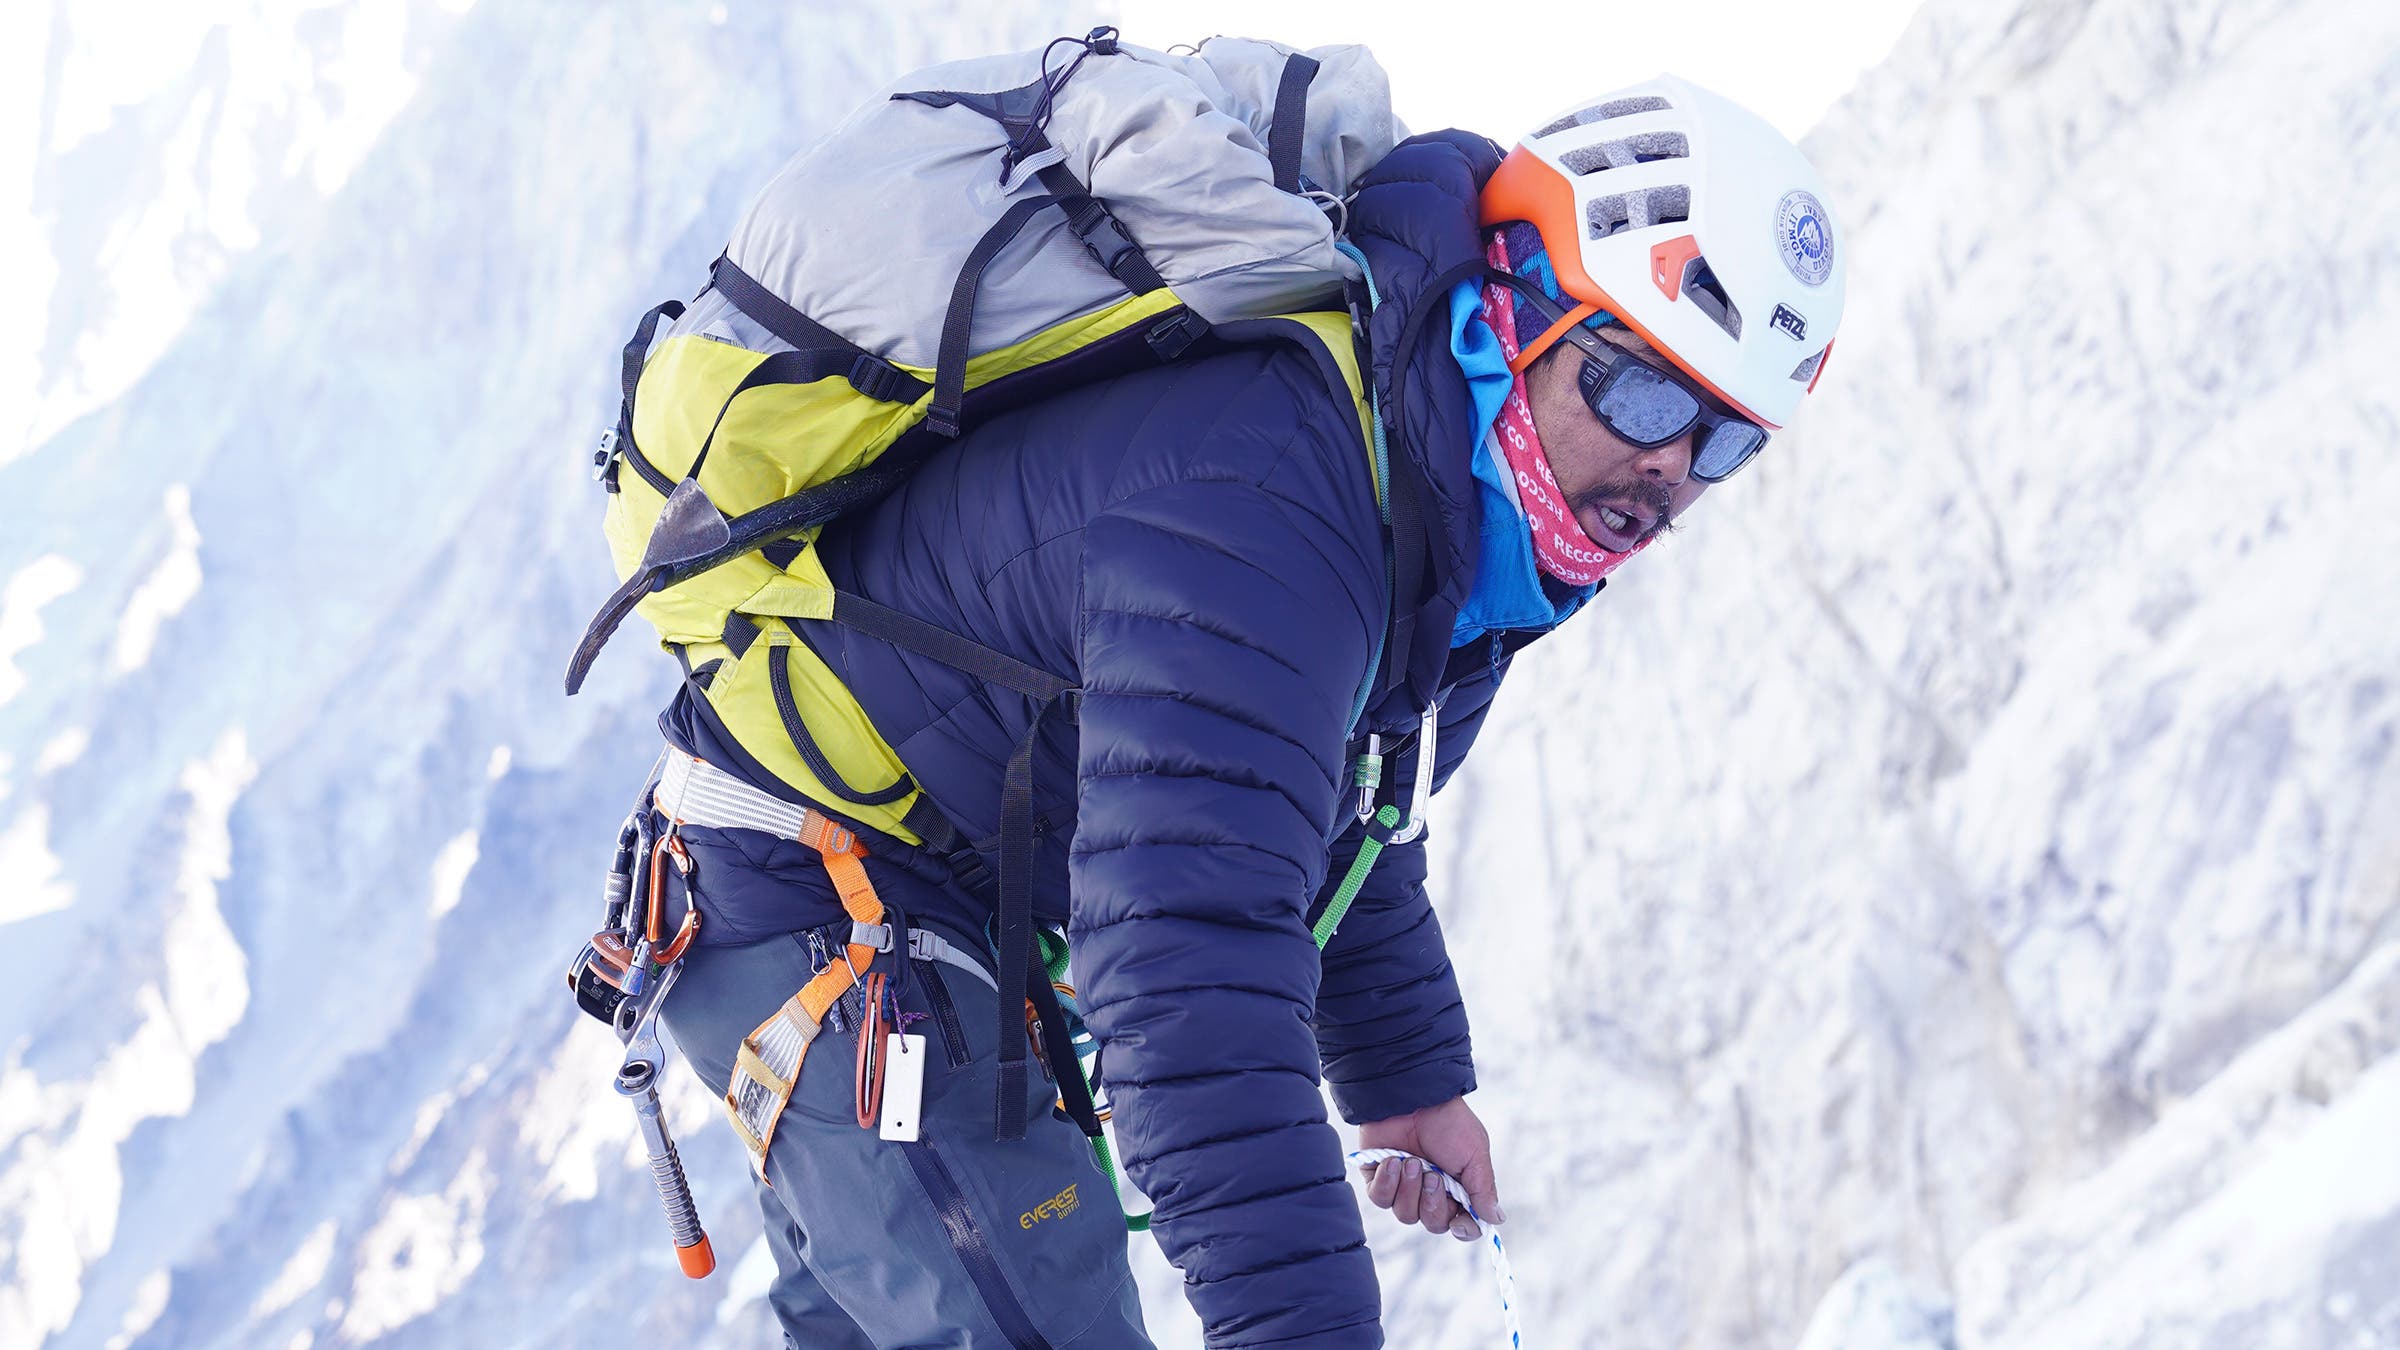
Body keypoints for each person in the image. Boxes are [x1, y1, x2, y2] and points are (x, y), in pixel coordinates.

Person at [651, 71, 1845, 1348]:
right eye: (1643, 392)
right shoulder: (1276, 503)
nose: (1668, 468)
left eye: (1723, 442)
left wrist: (1405, 1078)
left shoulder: (1428, 481)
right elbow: (1187, 967)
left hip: (910, 902)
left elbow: (1306, 794)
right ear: (1516, 314)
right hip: (823, 892)